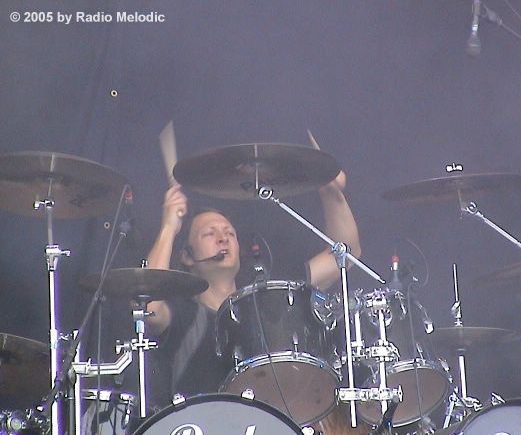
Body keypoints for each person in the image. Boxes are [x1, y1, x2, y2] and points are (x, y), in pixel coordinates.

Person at [144, 170, 361, 408]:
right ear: (186, 256)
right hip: (197, 427)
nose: (223, 238)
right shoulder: (181, 311)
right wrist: (168, 227)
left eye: (229, 233)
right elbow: (149, 305)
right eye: (209, 234)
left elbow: (344, 255)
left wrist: (331, 192)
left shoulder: (267, 298)